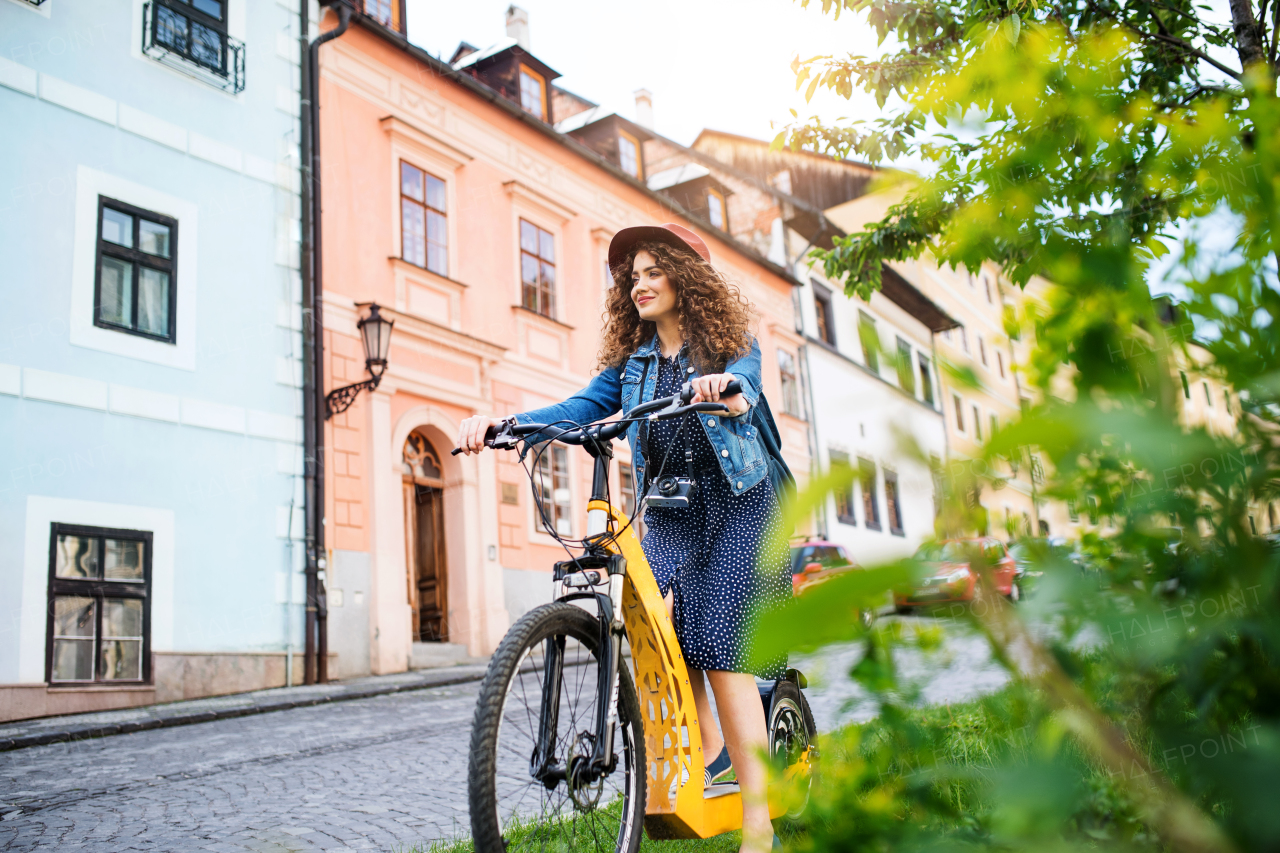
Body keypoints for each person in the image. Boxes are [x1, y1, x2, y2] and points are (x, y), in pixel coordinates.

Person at [457, 223, 791, 853]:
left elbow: (746, 381)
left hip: (737, 503)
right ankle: (708, 753)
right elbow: (580, 408)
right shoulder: (633, 365)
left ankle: (758, 824)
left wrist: (725, 390)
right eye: (631, 276)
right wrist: (508, 424)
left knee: (721, 649)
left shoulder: (726, 343)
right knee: (658, 629)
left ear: (685, 277)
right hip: (667, 512)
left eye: (652, 271)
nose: (639, 284)